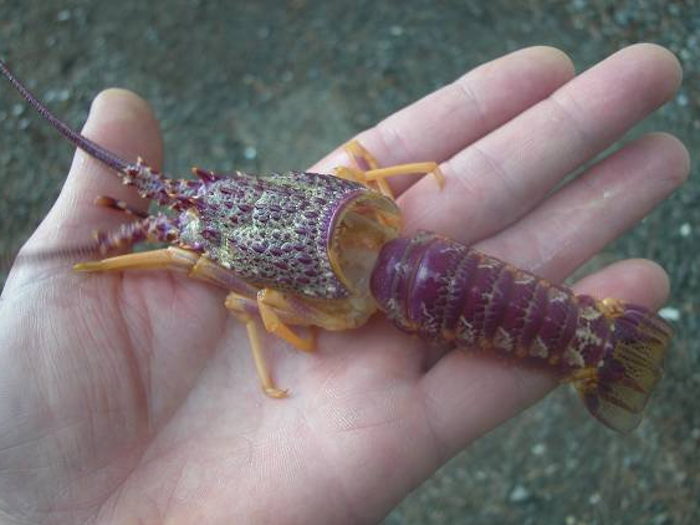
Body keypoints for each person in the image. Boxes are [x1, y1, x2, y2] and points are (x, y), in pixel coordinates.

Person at [0, 44, 688, 524]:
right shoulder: (268, 192)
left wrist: (272, 333)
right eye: (197, 204)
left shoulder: (216, 252)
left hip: (395, 282)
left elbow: (259, 300)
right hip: (417, 259)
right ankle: (589, 337)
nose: (192, 207)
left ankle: (592, 347)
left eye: (199, 197)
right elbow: (364, 174)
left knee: (255, 299)